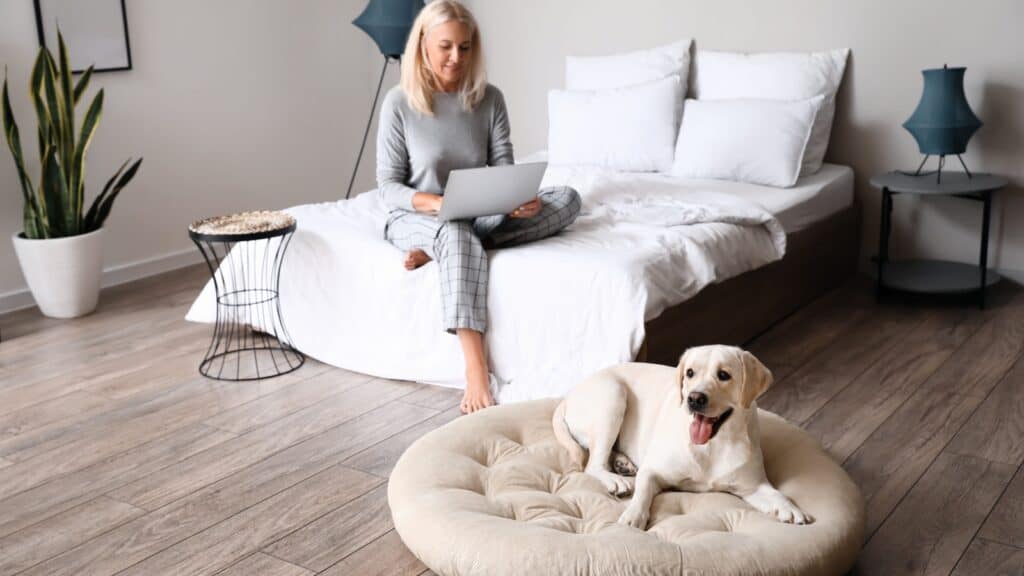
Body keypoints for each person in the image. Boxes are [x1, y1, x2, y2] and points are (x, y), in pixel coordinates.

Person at [376, 0, 580, 413]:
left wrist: (518, 201)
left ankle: (450, 252)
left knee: (568, 199)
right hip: (416, 216)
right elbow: (387, 187)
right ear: (423, 46)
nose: (456, 57)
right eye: (446, 46)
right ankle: (475, 369)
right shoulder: (399, 103)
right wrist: (432, 201)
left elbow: (504, 169)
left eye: (465, 48)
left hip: (476, 214)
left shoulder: (489, 99)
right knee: (453, 230)